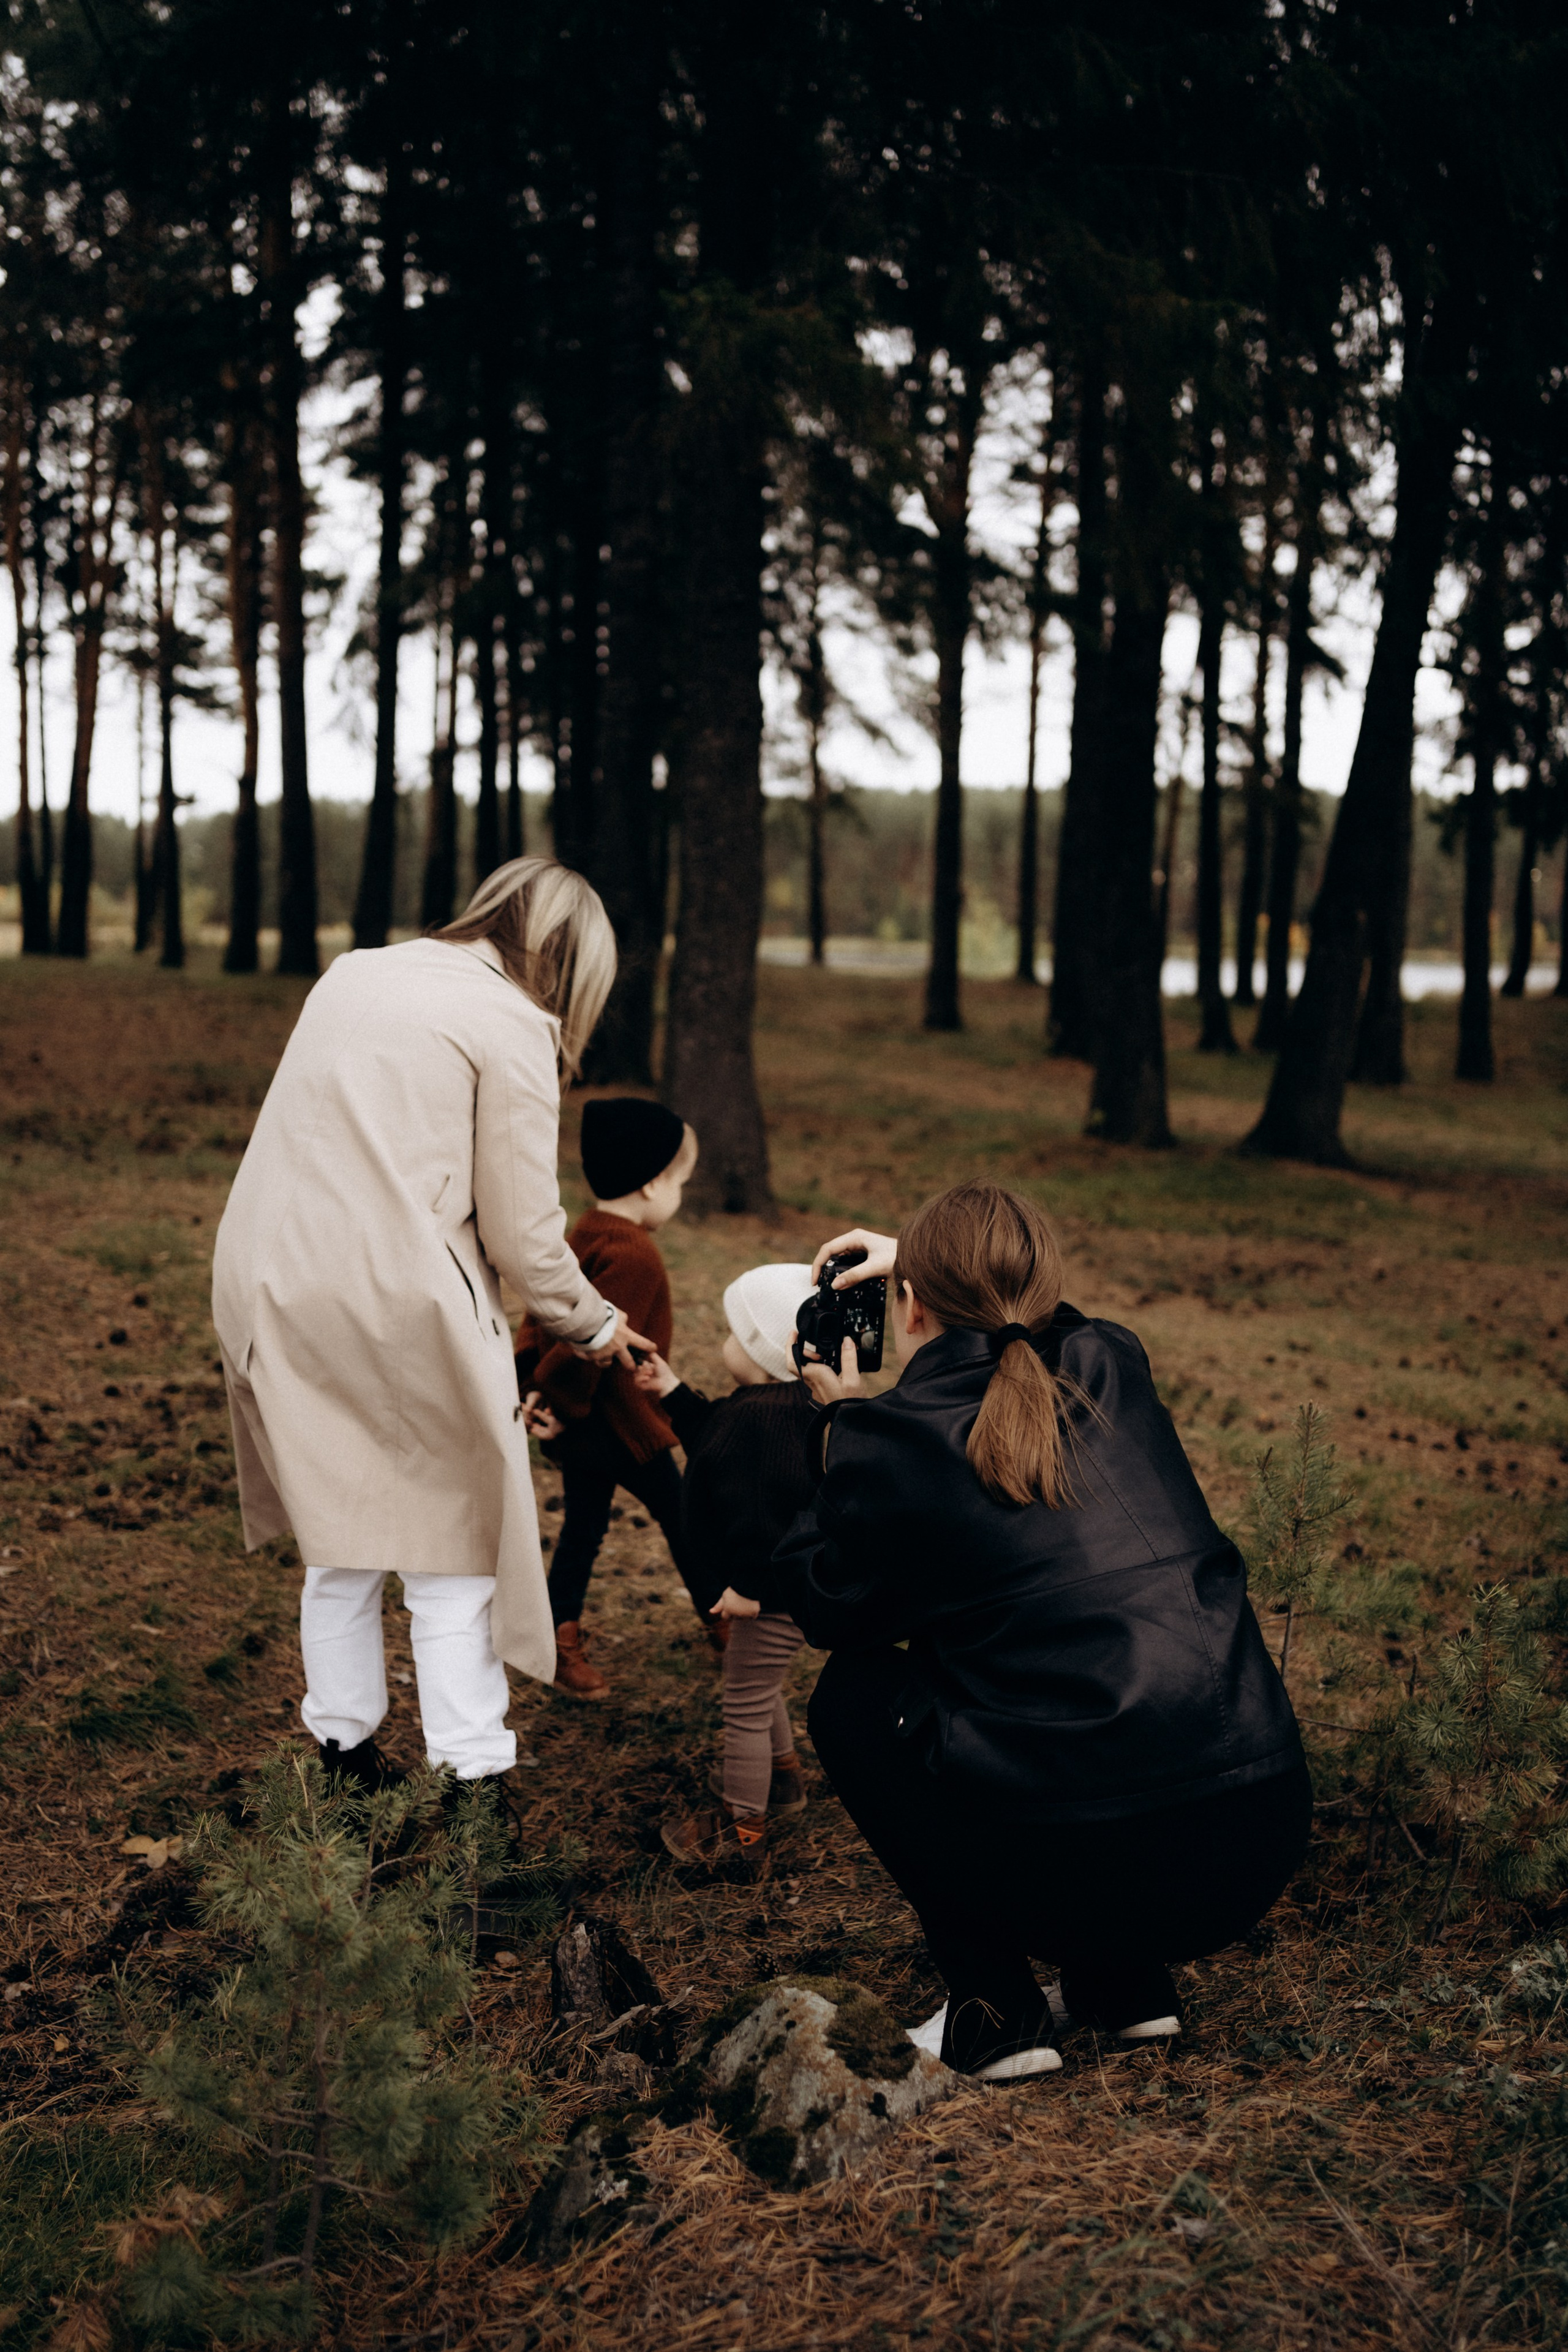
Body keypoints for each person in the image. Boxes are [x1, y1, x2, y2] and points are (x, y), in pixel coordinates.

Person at [776, 1185, 1311, 2084]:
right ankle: (1125, 1985)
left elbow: (831, 1609)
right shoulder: (1115, 1361)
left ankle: (995, 2011)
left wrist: (834, 1430)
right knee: (1048, 1655)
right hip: (1257, 1840)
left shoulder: (888, 1438)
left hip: (1086, 1867)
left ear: (910, 1307)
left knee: (855, 1698)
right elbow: (1045, 1323)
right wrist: (925, 1260)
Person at [212, 858, 650, 1805]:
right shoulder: (513, 1023)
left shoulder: (356, 971)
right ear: (570, 961)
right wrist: (599, 1325)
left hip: (269, 1272)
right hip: (391, 1300)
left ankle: (343, 1765)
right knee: (452, 1551)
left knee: (341, 1538)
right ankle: (472, 1798)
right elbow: (525, 1239)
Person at [514, 1098, 710, 1700]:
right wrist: (553, 1398)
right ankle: (721, 1617)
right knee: (684, 1517)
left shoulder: (581, 1232)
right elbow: (586, 1348)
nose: (679, 1196)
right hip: (621, 1426)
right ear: (652, 1184)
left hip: (583, 1425)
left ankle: (559, 1637)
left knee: (583, 1529)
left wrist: (530, 1387)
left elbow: (538, 1317)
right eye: (680, 1183)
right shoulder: (634, 1256)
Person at [630, 1263, 820, 1878]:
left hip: (766, 1593)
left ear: (765, 1348)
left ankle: (742, 1835)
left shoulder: (756, 1420)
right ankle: (783, 1781)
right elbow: (714, 1432)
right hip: (789, 1589)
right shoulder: (795, 1406)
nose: (725, 1342)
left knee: (743, 1704)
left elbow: (766, 1521)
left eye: (736, 1334)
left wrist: (750, 1590)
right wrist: (672, 1390)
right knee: (759, 1683)